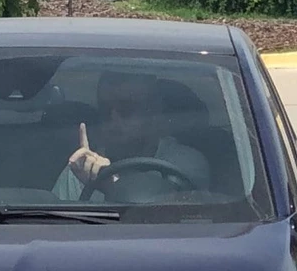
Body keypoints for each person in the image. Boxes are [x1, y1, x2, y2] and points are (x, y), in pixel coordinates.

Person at [51, 71, 210, 201]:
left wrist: (110, 186)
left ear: (152, 113)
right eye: (105, 110)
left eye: (126, 110)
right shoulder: (82, 168)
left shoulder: (184, 164)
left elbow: (176, 221)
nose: (114, 119)